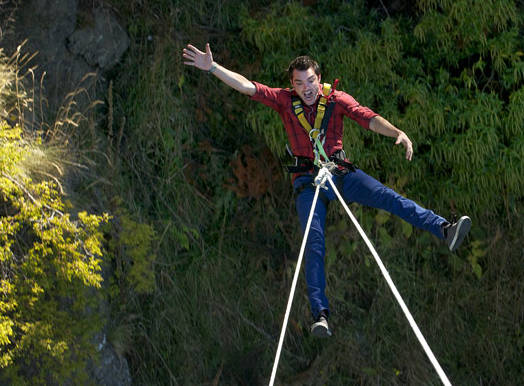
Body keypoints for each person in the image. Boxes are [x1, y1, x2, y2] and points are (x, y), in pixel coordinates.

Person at [182, 43, 471, 338]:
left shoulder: (336, 100)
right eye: (299, 82)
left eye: (310, 81)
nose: (306, 88)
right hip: (308, 181)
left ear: (319, 79)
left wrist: (398, 132)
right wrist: (213, 68)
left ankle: (444, 229)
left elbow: (366, 117)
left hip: (339, 172)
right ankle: (320, 315)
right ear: (292, 84)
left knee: (388, 197)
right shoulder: (284, 101)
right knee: (314, 240)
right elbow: (247, 87)